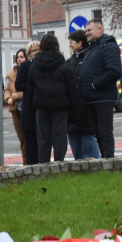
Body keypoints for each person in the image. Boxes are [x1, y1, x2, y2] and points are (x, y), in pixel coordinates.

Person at [28, 33, 77, 162]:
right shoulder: (63, 64)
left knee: (43, 140)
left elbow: (30, 89)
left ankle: (44, 166)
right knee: (59, 138)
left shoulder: (35, 66)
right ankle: (59, 164)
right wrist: (74, 109)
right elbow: (71, 88)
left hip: (41, 106)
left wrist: (30, 109)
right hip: (60, 106)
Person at [79, 19, 122, 157]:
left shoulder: (108, 46)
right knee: (98, 133)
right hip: (91, 98)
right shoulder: (92, 47)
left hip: (103, 97)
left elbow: (114, 71)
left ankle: (109, 162)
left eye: (89, 30)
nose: (86, 33)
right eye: (86, 30)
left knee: (105, 133)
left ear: (100, 30)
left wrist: (95, 84)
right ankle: (104, 162)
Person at [65, 31, 99, 160]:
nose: (70, 45)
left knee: (90, 149)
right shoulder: (70, 61)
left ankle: (96, 171)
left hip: (86, 108)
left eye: (71, 42)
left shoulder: (89, 59)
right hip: (72, 111)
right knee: (77, 151)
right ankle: (79, 171)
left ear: (80, 43)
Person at [15, 40, 39, 164]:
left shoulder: (44, 64)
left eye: (38, 49)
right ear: (29, 53)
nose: (36, 52)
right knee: (30, 140)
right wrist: (35, 87)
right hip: (29, 106)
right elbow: (19, 85)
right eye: (34, 50)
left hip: (42, 105)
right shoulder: (25, 66)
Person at [4, 49, 27, 164]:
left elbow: (31, 88)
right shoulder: (13, 73)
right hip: (15, 109)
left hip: (26, 107)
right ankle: (25, 163)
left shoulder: (29, 69)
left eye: (22, 57)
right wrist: (8, 98)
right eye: (18, 57)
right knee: (22, 139)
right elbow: (7, 89)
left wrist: (18, 95)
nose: (19, 59)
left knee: (29, 138)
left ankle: (31, 162)